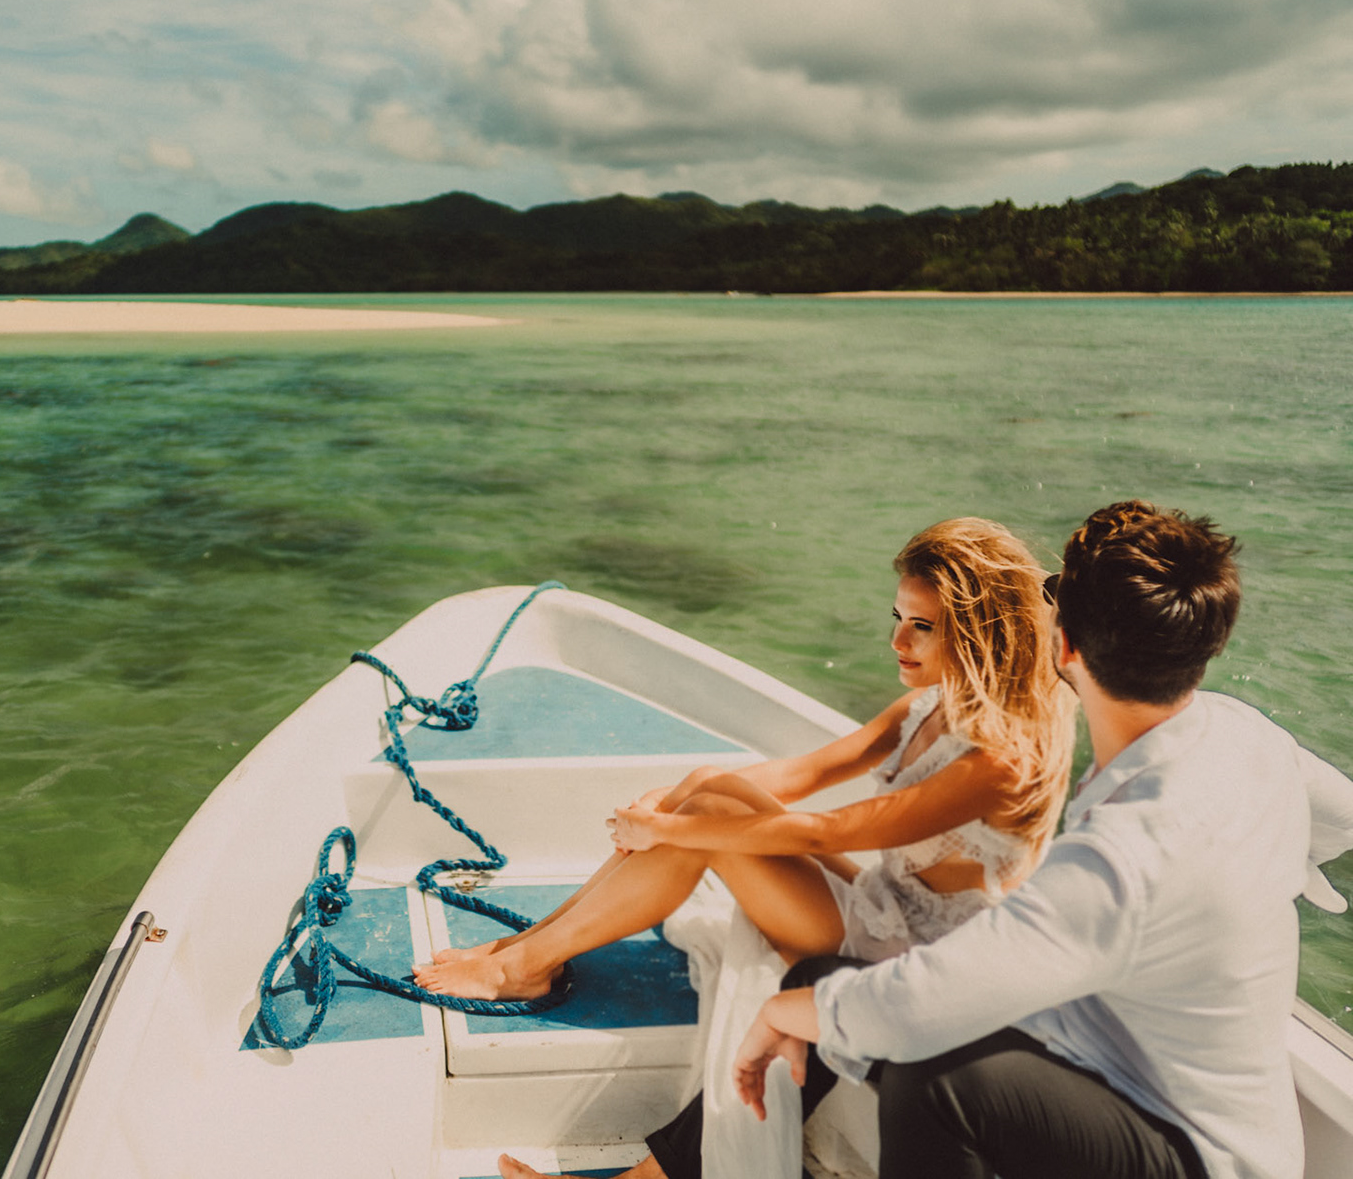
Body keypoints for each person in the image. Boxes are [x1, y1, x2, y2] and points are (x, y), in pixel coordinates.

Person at [412, 518, 1075, 1179]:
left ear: (979, 628)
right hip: (885, 911)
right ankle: (524, 953)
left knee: (702, 822)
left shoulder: (1000, 759)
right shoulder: (928, 708)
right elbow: (801, 777)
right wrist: (668, 802)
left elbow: (831, 829)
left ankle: (523, 966)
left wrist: (673, 830)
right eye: (898, 616)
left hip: (921, 965)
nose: (897, 639)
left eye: (922, 626)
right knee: (704, 788)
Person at [733, 500, 1353, 1179]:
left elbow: (916, 1010)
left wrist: (775, 1011)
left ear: (1064, 646)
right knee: (828, 985)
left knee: (934, 1080)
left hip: (1195, 1156)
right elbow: (1340, 817)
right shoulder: (1251, 740)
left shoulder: (1121, 859)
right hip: (1124, 1075)